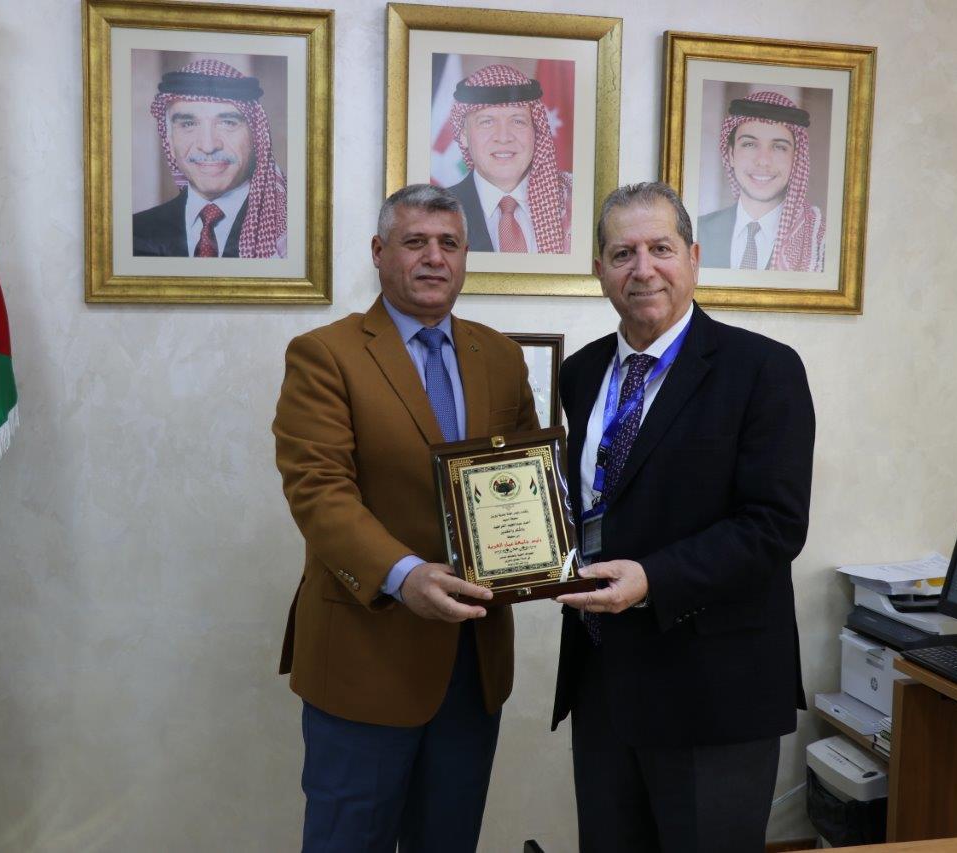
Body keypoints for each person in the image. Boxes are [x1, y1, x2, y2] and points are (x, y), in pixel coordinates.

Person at [273, 184, 538, 851]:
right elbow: (318, 490)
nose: (433, 258)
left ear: (466, 255)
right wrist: (404, 574)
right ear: (379, 251)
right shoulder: (325, 353)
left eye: (449, 243)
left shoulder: (501, 356)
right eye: (415, 241)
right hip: (365, 658)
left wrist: (544, 556)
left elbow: (526, 482)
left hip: (473, 663)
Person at [552, 182, 815, 851]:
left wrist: (652, 578)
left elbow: (775, 524)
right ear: (599, 269)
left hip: (714, 690)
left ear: (694, 258)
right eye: (623, 253)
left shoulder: (763, 370)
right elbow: (591, 502)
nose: (643, 269)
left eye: (660, 249)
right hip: (604, 683)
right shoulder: (580, 373)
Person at [133, 59, 287, 258]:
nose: (208, 146)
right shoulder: (134, 233)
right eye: (188, 124)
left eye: (228, 123)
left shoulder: (290, 232)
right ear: (169, 141)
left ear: (256, 137)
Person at [444, 64, 572, 254]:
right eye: (487, 122)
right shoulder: (437, 210)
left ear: (536, 130)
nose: (503, 137)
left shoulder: (572, 203)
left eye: (518, 121)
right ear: (463, 134)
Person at [698, 91, 825, 272]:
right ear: (731, 154)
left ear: (795, 160)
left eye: (779, 147)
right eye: (749, 144)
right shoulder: (697, 232)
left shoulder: (818, 241)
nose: (763, 161)